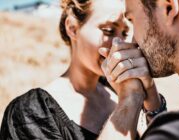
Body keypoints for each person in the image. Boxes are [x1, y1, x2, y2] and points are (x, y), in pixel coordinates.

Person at [0, 0, 163, 139]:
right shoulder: (30, 113)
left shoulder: (130, 91)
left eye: (126, 32)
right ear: (72, 28)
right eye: (108, 31)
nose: (119, 44)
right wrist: (128, 100)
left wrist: (152, 98)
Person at [97, 0, 179, 140]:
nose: (133, 41)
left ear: (168, 8)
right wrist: (153, 104)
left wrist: (129, 97)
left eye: (132, 20)